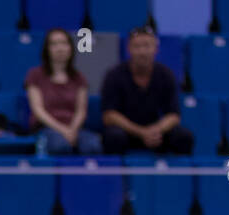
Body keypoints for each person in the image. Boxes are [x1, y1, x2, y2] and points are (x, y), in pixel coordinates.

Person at [101, 26, 194, 156]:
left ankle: (178, 175)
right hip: (127, 131)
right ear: (128, 49)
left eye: (147, 46)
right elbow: (109, 116)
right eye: (137, 46)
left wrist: (156, 130)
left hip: (156, 133)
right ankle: (115, 176)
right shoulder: (114, 75)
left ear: (156, 49)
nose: (142, 51)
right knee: (113, 137)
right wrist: (141, 132)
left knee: (183, 136)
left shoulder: (166, 75)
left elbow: (173, 115)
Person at [25, 28, 102, 155]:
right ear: (47, 49)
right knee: (60, 145)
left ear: (70, 47)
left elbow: (81, 111)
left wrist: (72, 130)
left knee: (92, 146)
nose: (60, 48)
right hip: (47, 128)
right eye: (54, 44)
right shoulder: (35, 75)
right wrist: (63, 130)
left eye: (64, 43)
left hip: (74, 128)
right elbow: (38, 110)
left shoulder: (79, 78)